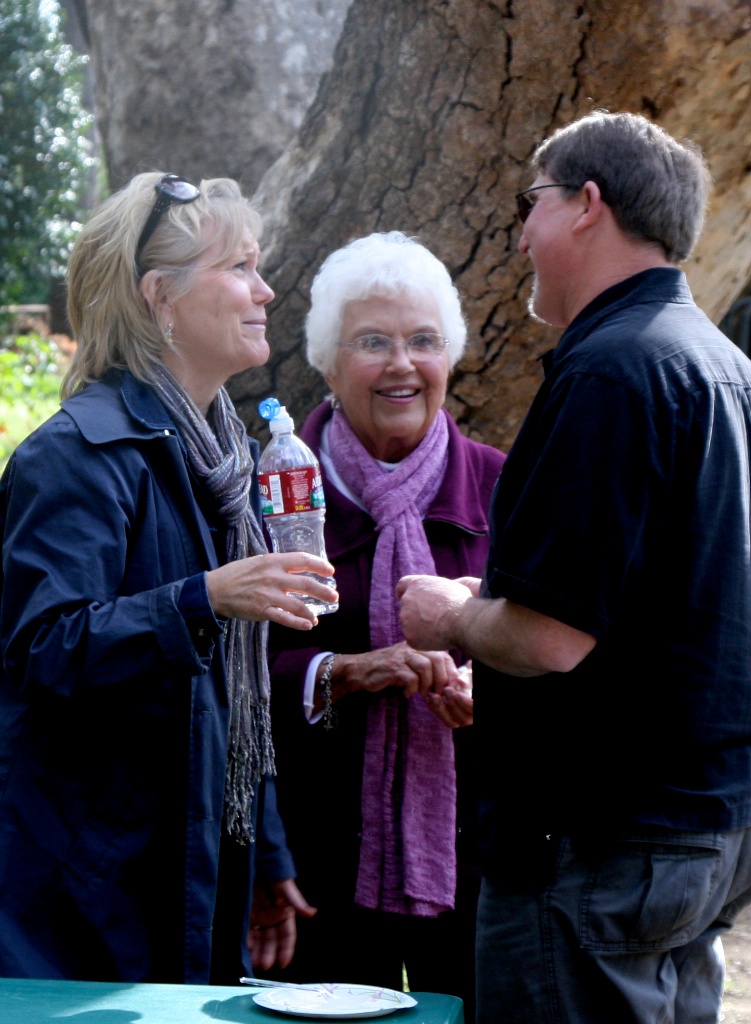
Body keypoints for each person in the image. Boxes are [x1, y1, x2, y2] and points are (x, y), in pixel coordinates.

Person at [397, 111, 751, 1024]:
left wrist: (452, 615)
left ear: (585, 205)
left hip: (605, 843)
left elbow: (549, 637)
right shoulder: (736, 375)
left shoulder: (609, 373)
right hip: (715, 824)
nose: (518, 235)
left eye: (529, 204)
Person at [0, 172, 337, 984]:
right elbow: (42, 648)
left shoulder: (227, 463)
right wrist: (204, 598)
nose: (266, 290)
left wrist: (265, 852)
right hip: (82, 907)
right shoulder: (75, 456)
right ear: (160, 298)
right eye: (240, 268)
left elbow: (231, 699)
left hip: (196, 873)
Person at [260, 232, 504, 1021]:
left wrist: (489, 687)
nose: (402, 365)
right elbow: (229, 673)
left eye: (423, 341)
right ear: (327, 364)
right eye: (372, 342)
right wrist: (349, 672)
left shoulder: (502, 487)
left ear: (450, 357)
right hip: (313, 865)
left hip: (476, 866)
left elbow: (558, 657)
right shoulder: (270, 492)